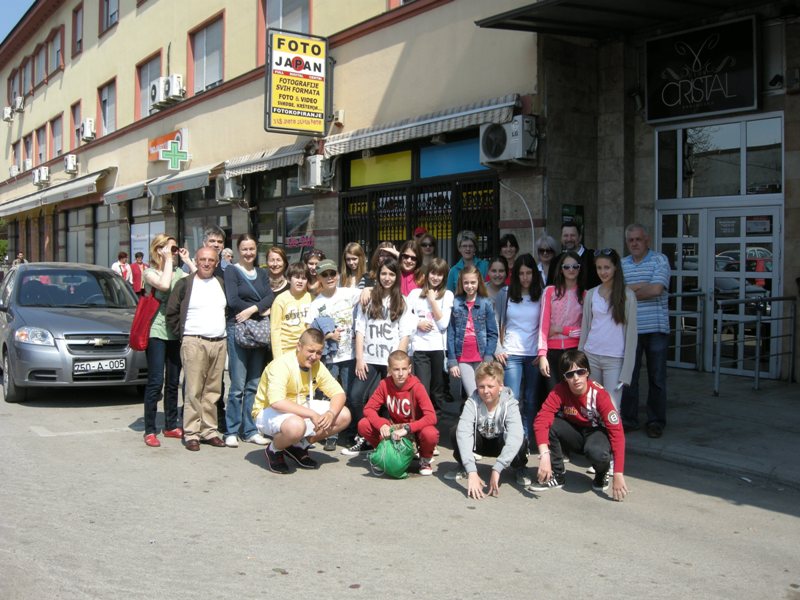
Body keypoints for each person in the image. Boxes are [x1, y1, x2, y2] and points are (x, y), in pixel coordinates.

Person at [529, 349, 629, 501]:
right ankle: (557, 475)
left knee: (597, 452)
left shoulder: (599, 395)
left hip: (596, 433)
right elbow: (541, 419)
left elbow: (617, 433)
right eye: (570, 374)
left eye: (580, 372)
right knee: (550, 424)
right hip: (575, 433)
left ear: (587, 372)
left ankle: (602, 473)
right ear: (564, 378)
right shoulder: (560, 390)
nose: (576, 378)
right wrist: (544, 455)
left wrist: (618, 473)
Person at [252, 328, 352, 474]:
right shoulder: (281, 365)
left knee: (343, 415)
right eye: (310, 351)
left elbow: (339, 393)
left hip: (299, 405)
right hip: (268, 411)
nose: (314, 356)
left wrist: (330, 413)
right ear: (299, 346)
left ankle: (298, 447)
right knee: (296, 426)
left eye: (319, 353)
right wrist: (311, 414)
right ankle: (274, 450)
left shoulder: (317, 365)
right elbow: (277, 402)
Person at [343, 257, 415, 455]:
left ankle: (382, 440)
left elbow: (405, 335)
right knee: (356, 396)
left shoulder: (402, 301)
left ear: (397, 276)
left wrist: (396, 365)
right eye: (383, 273)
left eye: (391, 274)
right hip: (369, 359)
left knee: (387, 403)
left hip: (390, 362)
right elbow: (360, 329)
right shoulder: (368, 298)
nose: (387, 278)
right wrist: (359, 358)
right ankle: (365, 435)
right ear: (377, 275)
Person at [166, 246, 228, 451]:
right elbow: (172, 313)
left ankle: (209, 431)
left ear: (216, 263)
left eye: (211, 260)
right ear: (196, 260)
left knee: (213, 391)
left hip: (219, 341)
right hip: (194, 341)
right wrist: (184, 336)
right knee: (193, 390)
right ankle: (192, 433)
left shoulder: (220, 283)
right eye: (203, 259)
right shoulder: (185, 284)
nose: (207, 263)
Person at [445, 361, 529, 497]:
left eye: (490, 386)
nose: (485, 391)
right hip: (481, 442)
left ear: (500, 386)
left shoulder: (510, 403)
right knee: (456, 431)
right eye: (481, 386)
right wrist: (472, 471)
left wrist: (497, 468)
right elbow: (464, 432)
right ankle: (463, 466)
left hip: (500, 443)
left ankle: (519, 467)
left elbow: (515, 435)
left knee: (520, 439)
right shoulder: (472, 401)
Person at [141, 235, 194, 447]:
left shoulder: (179, 272)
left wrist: (187, 260)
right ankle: (149, 429)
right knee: (156, 382)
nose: (173, 253)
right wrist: (168, 261)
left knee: (173, 381)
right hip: (156, 331)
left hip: (175, 331)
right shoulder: (150, 272)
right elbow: (164, 285)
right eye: (169, 249)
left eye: (174, 249)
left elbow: (198, 279)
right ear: (158, 250)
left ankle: (171, 425)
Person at [223, 234, 274, 448]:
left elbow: (269, 296)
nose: (248, 253)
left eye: (252, 249)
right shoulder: (231, 271)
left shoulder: (261, 273)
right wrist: (259, 308)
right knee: (237, 385)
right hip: (239, 329)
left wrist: (253, 309)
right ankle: (231, 430)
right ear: (238, 250)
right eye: (244, 249)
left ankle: (250, 430)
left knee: (254, 383)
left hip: (259, 330)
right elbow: (233, 300)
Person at [304, 258, 361, 450]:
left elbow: (367, 292)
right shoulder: (316, 303)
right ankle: (330, 433)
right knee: (329, 395)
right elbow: (309, 331)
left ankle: (350, 432)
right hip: (330, 357)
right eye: (325, 275)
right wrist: (327, 335)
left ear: (337, 275)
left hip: (350, 354)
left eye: (332, 274)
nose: (329, 278)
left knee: (350, 394)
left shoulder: (348, 293)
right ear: (319, 278)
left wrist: (367, 290)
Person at [621, 224, 671, 438]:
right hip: (630, 330)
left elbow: (657, 289)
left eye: (638, 239)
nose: (634, 243)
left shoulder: (660, 260)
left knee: (657, 378)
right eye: (631, 240)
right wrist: (642, 286)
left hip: (656, 329)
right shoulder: (622, 264)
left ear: (647, 240)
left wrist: (629, 291)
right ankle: (629, 419)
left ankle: (655, 421)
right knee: (629, 378)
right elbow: (617, 294)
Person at [357, 350, 439, 476]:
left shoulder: (417, 387)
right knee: (364, 424)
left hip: (413, 430)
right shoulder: (384, 384)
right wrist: (381, 424)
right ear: (389, 369)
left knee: (430, 433)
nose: (400, 374)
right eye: (396, 369)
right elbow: (368, 409)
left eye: (404, 369)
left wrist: (407, 428)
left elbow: (431, 417)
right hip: (394, 428)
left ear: (409, 369)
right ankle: (384, 453)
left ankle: (425, 459)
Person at [579, 248, 637, 409]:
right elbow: (585, 328)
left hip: (615, 359)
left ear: (615, 268)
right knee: (591, 407)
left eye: (607, 267)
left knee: (612, 409)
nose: (603, 272)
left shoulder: (628, 296)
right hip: (591, 356)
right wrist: (580, 358)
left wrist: (627, 372)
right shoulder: (591, 294)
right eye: (599, 268)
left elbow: (632, 336)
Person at [494, 253, 543, 443]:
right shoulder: (505, 293)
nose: (525, 277)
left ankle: (527, 438)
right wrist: (498, 348)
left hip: (533, 354)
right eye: (521, 273)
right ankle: (514, 438)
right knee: (512, 399)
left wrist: (542, 352)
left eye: (528, 273)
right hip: (511, 352)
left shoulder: (542, 294)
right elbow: (496, 322)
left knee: (531, 399)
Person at [407, 258, 453, 417]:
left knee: (437, 389)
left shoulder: (447, 295)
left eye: (440, 274)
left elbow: (443, 324)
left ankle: (437, 419)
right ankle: (423, 417)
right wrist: (418, 323)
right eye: (433, 273)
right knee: (423, 388)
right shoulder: (415, 294)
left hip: (438, 348)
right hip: (420, 348)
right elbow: (405, 316)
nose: (435, 277)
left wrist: (432, 300)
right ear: (427, 274)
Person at [447, 265, 498, 399]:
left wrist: (488, 356)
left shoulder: (486, 303)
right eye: (466, 283)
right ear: (461, 283)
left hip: (481, 356)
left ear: (479, 282)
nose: (469, 286)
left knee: (484, 393)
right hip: (463, 357)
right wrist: (452, 360)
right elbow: (451, 333)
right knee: (472, 395)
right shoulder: (456, 303)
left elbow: (493, 333)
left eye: (473, 282)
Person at [538, 251, 585, 396]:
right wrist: (542, 355)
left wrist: (561, 329)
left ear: (580, 269)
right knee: (554, 395)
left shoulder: (585, 295)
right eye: (567, 267)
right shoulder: (550, 291)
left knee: (574, 396)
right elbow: (543, 325)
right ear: (561, 269)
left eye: (575, 266)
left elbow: (585, 330)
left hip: (574, 351)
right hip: (552, 352)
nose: (571, 270)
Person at [270, 262, 312, 357]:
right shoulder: (280, 300)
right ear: (289, 279)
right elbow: (275, 330)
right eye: (296, 277)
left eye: (304, 278)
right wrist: (277, 356)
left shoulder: (311, 298)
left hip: (306, 350)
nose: (300, 281)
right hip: (286, 350)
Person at [548, 222, 600, 289]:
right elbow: (550, 288)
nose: (569, 239)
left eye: (572, 235)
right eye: (565, 235)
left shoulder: (593, 258)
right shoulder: (555, 262)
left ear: (580, 237)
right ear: (561, 238)